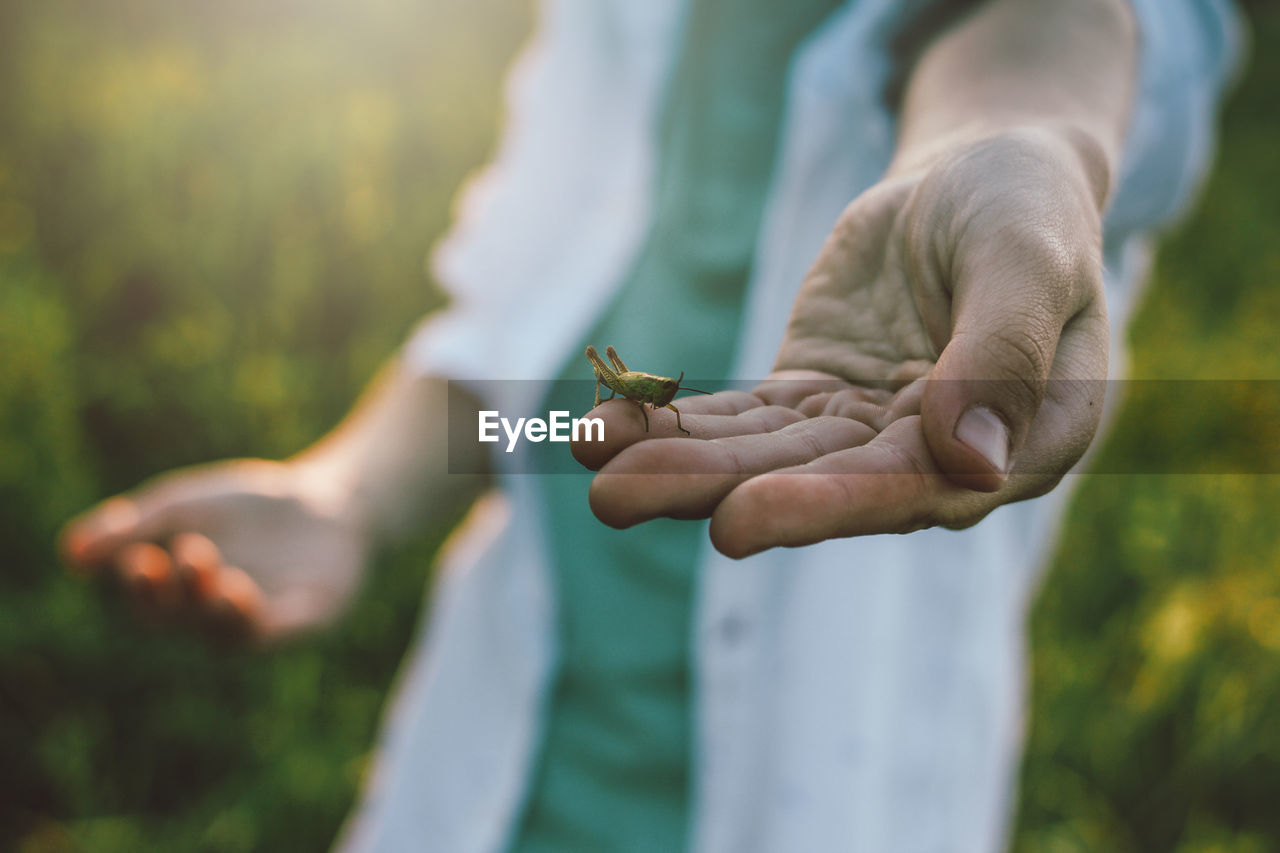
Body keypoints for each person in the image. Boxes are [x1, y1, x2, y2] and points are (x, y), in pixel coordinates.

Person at [60, 0, 1241, 850]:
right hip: (487, 781)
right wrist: (349, 493)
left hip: (833, 794)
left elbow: (1055, 35)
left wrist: (1019, 141)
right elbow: (513, 381)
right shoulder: (608, 24)